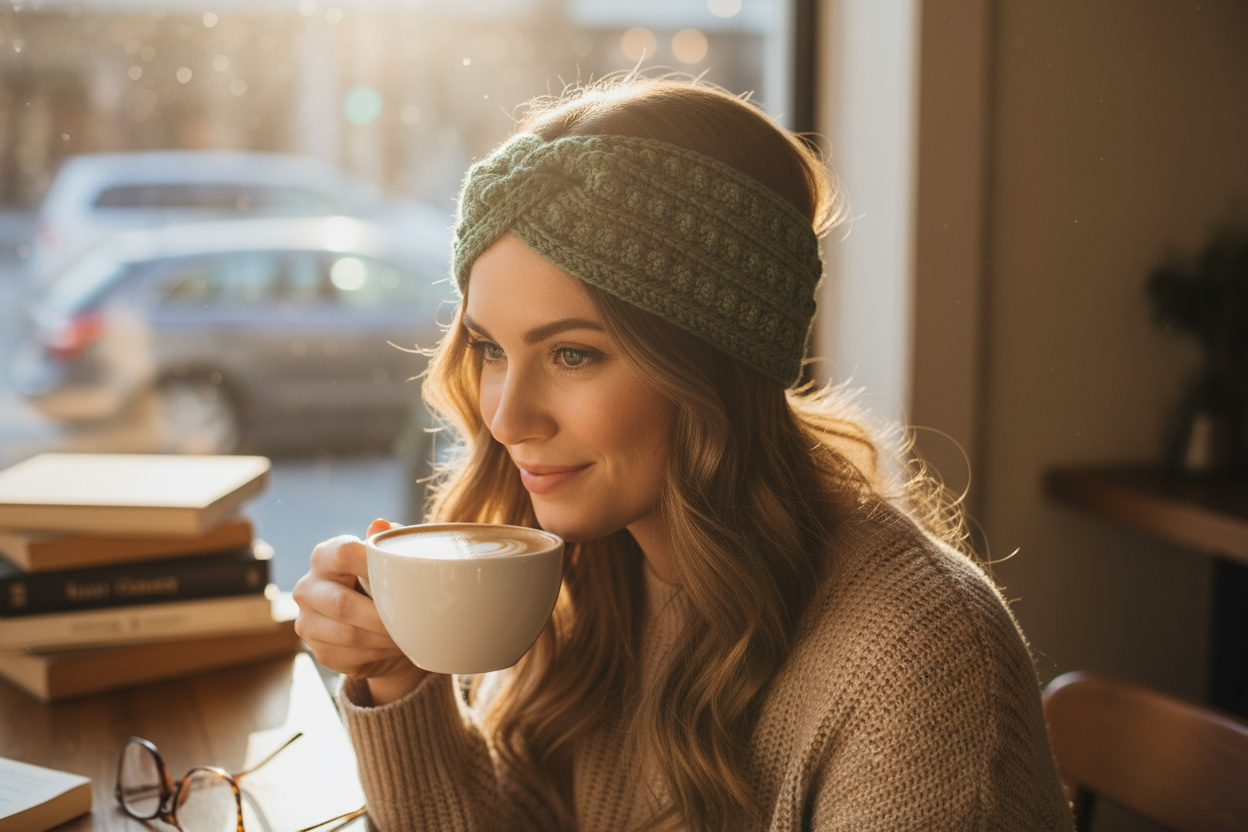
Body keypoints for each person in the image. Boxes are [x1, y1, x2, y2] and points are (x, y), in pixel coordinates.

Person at [293, 75, 1074, 832]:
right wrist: (399, 677)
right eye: (491, 349)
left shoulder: (922, 669)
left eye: (573, 355)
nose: (504, 419)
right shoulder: (598, 565)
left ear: (715, 368)